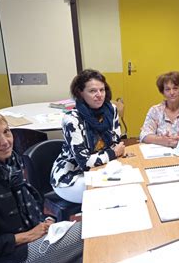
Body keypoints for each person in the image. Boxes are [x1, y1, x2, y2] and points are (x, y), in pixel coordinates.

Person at [0, 109, 83, 263]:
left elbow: (27, 206)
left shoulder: (11, 165)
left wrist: (45, 221)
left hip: (29, 246)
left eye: (6, 132)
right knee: (89, 233)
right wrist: (25, 237)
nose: (5, 142)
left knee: (91, 246)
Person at [51, 69, 125, 203]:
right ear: (80, 93)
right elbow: (84, 162)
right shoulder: (71, 119)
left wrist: (112, 153)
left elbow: (116, 142)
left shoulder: (111, 110)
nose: (99, 95)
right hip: (72, 176)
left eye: (102, 90)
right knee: (111, 194)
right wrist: (112, 153)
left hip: (100, 167)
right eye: (92, 91)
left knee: (128, 184)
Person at [140, 71, 179, 147]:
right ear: (163, 92)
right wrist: (161, 140)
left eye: (175, 88)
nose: (172, 92)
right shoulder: (155, 110)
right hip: (161, 153)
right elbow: (144, 135)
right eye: (167, 89)